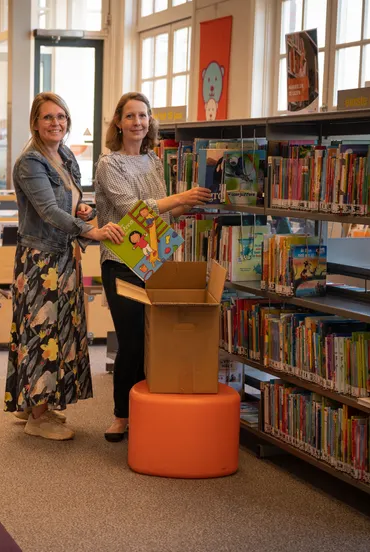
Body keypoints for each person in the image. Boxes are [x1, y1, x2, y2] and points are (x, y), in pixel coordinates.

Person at [5, 92, 125, 441]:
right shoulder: (31, 161)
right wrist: (92, 230)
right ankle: (38, 418)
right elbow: (47, 211)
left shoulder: (65, 155)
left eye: (61, 117)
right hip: (42, 260)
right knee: (43, 334)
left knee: (60, 332)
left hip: (64, 255)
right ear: (35, 122)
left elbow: (69, 202)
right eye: (48, 117)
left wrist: (83, 210)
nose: (56, 123)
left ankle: (31, 403)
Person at [94, 92, 211, 442]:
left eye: (143, 116)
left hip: (155, 260)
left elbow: (162, 214)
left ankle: (148, 409)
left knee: (154, 342)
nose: (138, 122)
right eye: (130, 116)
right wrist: (178, 198)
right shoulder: (108, 164)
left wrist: (189, 204)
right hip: (121, 263)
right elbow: (133, 210)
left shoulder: (155, 162)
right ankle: (121, 415)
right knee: (130, 342)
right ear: (118, 122)